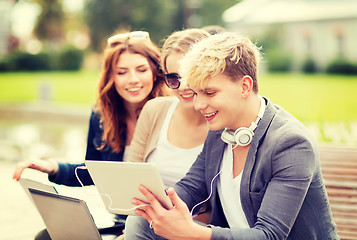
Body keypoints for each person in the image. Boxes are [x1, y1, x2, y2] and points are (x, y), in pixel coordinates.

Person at [126, 32, 339, 239]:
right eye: (196, 93)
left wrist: (192, 233)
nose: (199, 105)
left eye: (209, 93)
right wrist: (155, 204)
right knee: (140, 222)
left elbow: (270, 235)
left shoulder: (291, 143)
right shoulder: (220, 129)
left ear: (244, 86)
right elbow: (192, 186)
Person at [12, 30, 165, 239]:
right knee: (47, 236)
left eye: (141, 70)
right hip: (119, 220)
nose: (133, 80)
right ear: (110, 76)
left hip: (156, 222)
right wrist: (53, 167)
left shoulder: (169, 114)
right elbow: (93, 171)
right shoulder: (101, 117)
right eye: (121, 72)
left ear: (155, 72)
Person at [121, 29, 211, 238]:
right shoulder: (155, 110)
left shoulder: (221, 123)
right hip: (144, 223)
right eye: (173, 78)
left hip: (194, 230)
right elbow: (130, 179)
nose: (183, 87)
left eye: (190, 76)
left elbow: (219, 209)